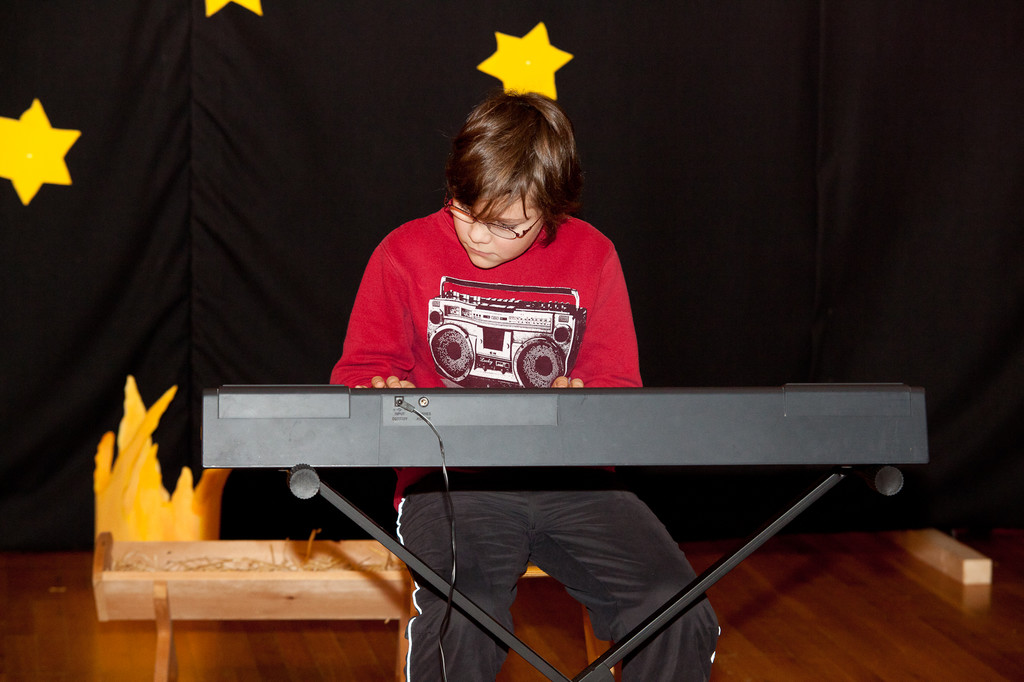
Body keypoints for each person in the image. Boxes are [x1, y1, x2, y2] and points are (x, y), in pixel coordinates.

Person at [330, 91, 719, 681]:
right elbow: (358, 373)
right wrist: (378, 390)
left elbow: (618, 390)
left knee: (675, 609)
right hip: (451, 484)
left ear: (553, 209)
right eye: (464, 209)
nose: (477, 236)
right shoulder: (403, 252)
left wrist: (582, 404)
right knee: (465, 616)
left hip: (577, 483)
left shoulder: (593, 255)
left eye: (506, 225)